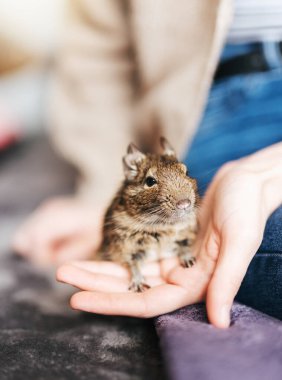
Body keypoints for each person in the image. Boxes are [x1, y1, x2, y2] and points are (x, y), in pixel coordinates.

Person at [13, 0, 282, 329]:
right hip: (219, 89)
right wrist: (100, 186)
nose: (182, 197)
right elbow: (99, 51)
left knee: (234, 240)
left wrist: (270, 170)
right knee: (235, 236)